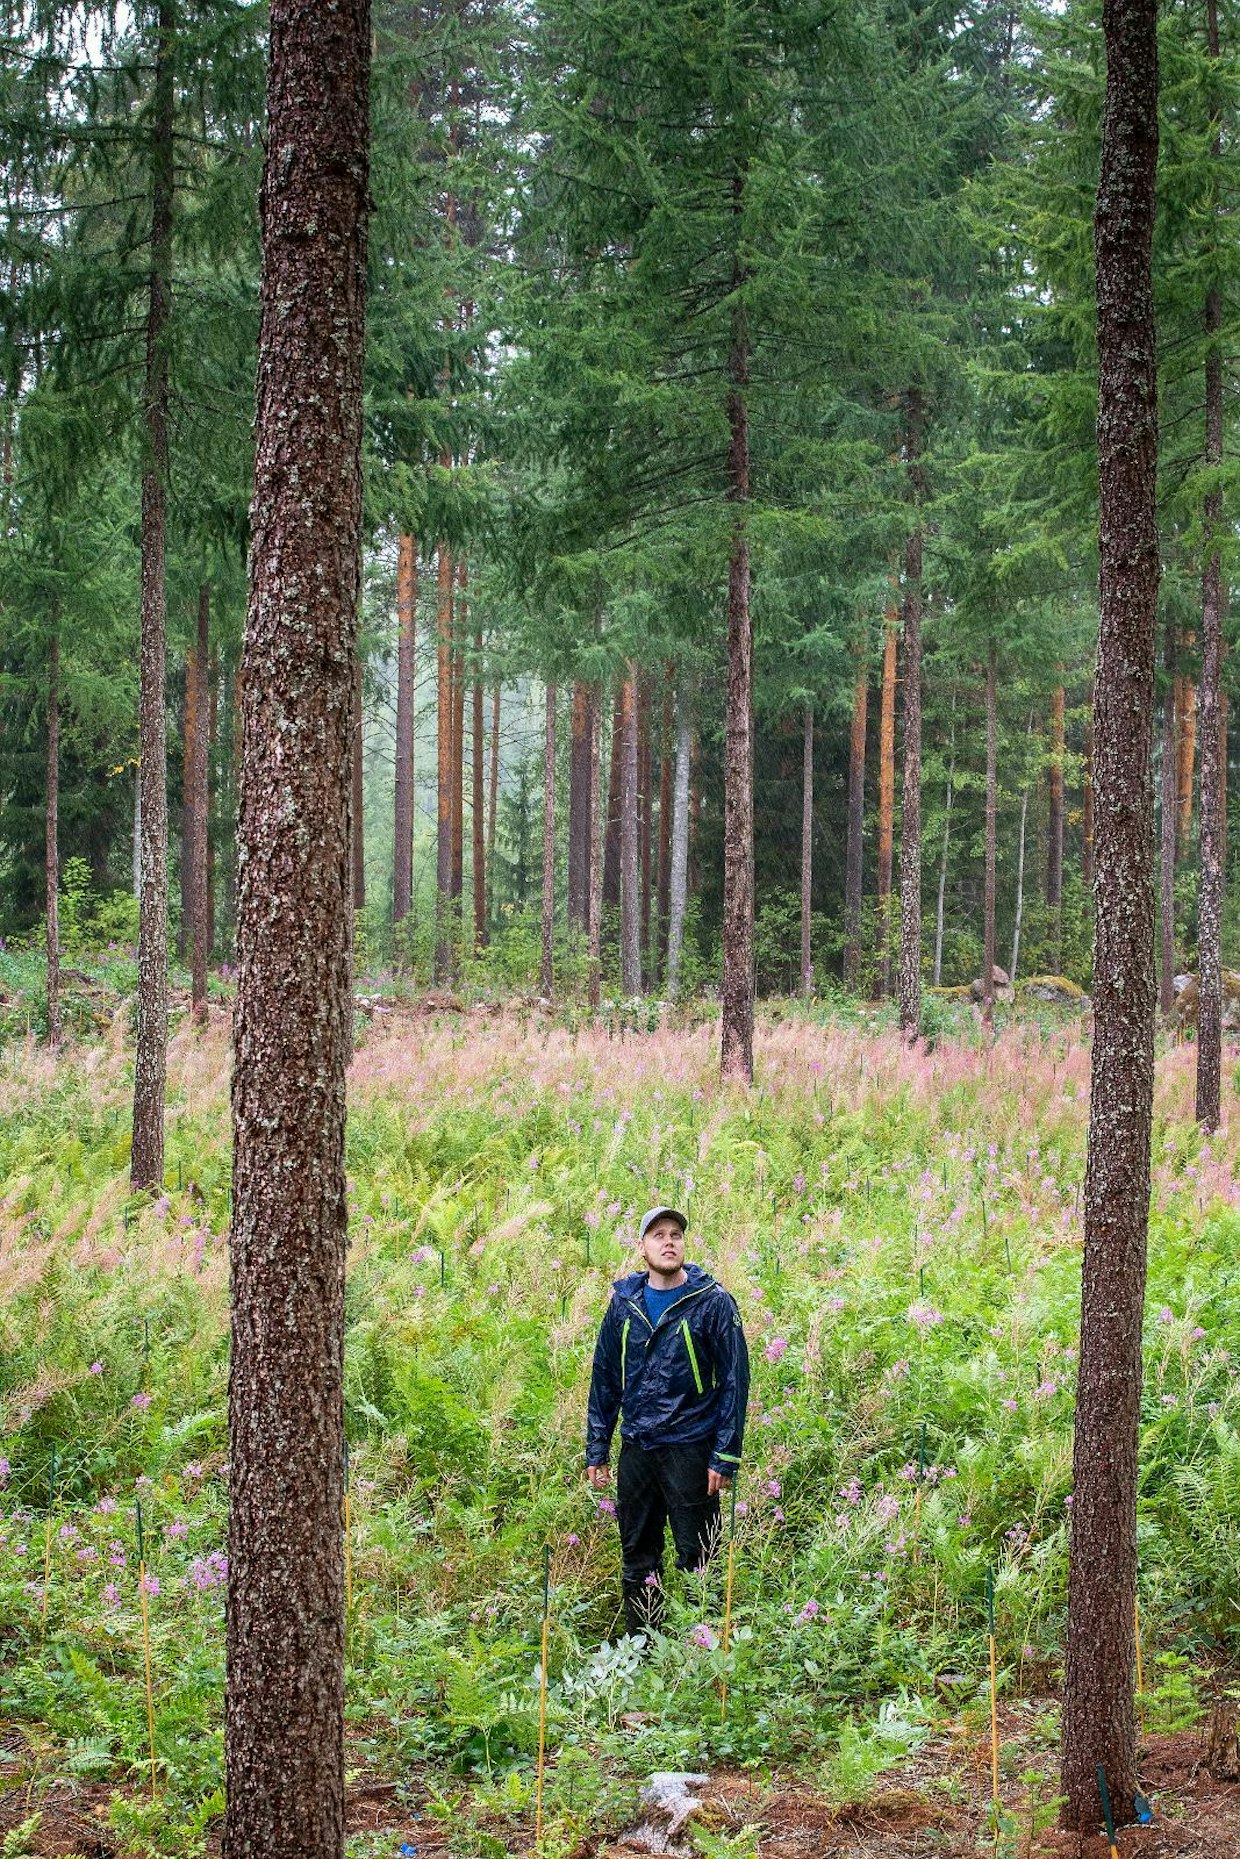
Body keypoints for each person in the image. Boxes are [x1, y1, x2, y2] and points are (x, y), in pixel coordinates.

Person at [586, 1204, 750, 1638]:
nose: (669, 1241)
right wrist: (597, 1448)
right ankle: (643, 1648)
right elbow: (605, 1375)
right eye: (658, 1235)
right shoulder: (624, 1305)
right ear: (642, 1247)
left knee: (701, 1555)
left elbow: (735, 1380)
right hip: (638, 1448)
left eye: (675, 1234)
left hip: (691, 1449)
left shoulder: (712, 1302)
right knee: (638, 1553)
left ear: (684, 1244)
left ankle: (707, 1652)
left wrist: (725, 1455)